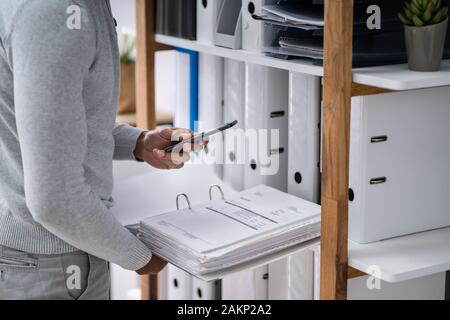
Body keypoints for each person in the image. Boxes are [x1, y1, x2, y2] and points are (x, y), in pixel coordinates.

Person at [0, 0, 201, 299]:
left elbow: (59, 127)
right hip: (52, 265)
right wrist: (140, 257)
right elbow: (55, 199)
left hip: (55, 258)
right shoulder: (57, 11)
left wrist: (139, 143)